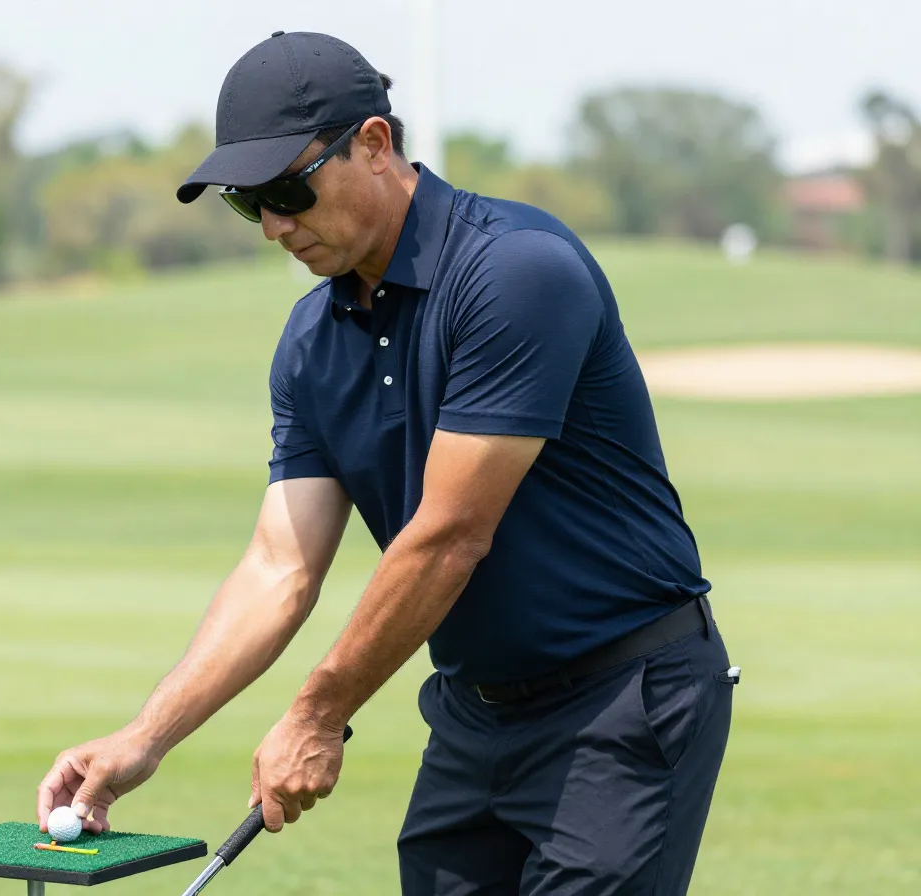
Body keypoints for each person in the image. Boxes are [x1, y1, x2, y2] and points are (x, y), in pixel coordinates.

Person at [36, 31, 739, 895]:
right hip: (473, 714)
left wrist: (318, 712)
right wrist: (144, 738)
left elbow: (449, 537)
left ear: (373, 144)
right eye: (245, 203)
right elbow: (279, 567)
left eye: (288, 189)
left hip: (621, 702)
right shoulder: (309, 344)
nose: (273, 226)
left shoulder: (514, 272)